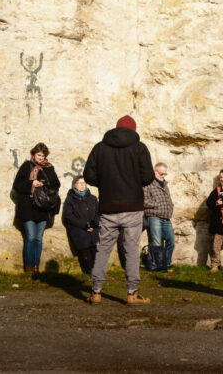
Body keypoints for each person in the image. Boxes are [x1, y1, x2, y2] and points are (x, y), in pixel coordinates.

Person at [83, 115, 155, 305]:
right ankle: (132, 293)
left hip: (108, 207)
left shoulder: (100, 148)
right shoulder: (139, 148)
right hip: (132, 207)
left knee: (103, 250)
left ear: (116, 129)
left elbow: (89, 176)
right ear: (133, 130)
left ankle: (96, 292)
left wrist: (105, 184)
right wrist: (133, 182)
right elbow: (148, 177)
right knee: (131, 250)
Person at [13, 143, 60, 277]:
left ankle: (36, 266)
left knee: (38, 238)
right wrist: (31, 184)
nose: (40, 158)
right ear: (33, 154)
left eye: (43, 156)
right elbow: (17, 185)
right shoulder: (26, 166)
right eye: (38, 155)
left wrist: (45, 184)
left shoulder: (49, 168)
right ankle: (28, 266)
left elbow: (56, 184)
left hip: (43, 208)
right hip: (28, 208)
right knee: (31, 237)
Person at [63, 176, 100, 274]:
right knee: (84, 243)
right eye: (80, 183)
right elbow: (69, 216)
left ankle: (97, 271)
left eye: (84, 183)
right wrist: (85, 225)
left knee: (96, 245)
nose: (82, 185)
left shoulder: (93, 198)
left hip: (93, 227)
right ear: (74, 185)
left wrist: (93, 224)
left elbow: (98, 213)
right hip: (79, 229)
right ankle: (89, 270)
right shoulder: (70, 199)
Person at [143, 162, 175, 270]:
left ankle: (166, 263)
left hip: (166, 217)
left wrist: (170, 207)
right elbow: (143, 200)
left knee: (171, 241)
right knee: (156, 243)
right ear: (155, 172)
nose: (163, 176)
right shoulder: (148, 184)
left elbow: (168, 199)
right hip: (154, 216)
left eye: (165, 174)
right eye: (162, 174)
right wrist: (157, 205)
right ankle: (157, 265)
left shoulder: (165, 184)